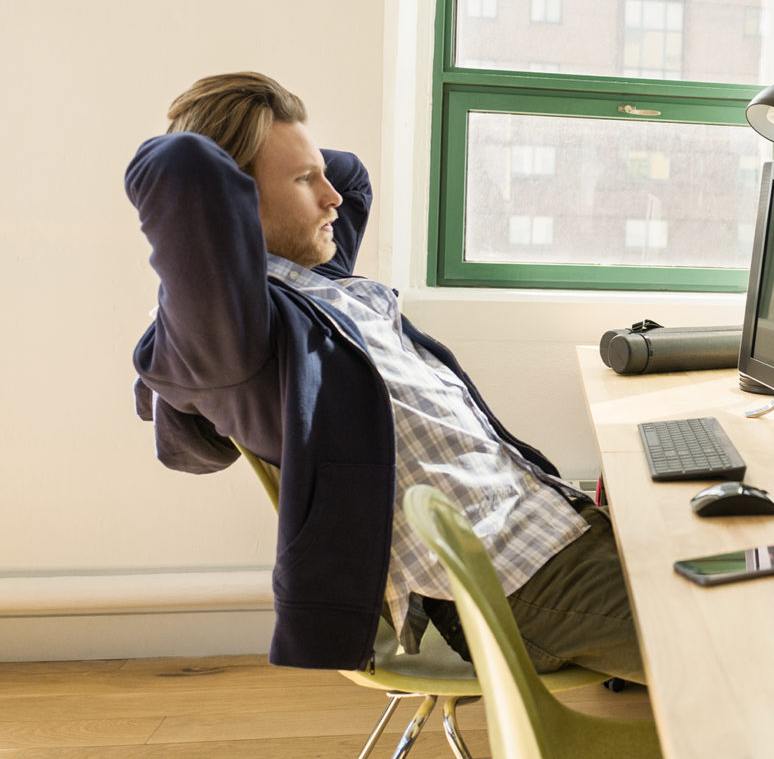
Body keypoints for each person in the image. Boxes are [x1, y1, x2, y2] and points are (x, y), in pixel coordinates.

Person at [126, 72, 643, 682]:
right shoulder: (238, 339)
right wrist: (236, 157)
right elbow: (179, 163)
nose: (332, 198)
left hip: (550, 525)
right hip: (511, 583)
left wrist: (297, 161)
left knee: (750, 564)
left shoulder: (324, 286)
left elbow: (350, 176)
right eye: (301, 181)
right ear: (232, 203)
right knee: (755, 633)